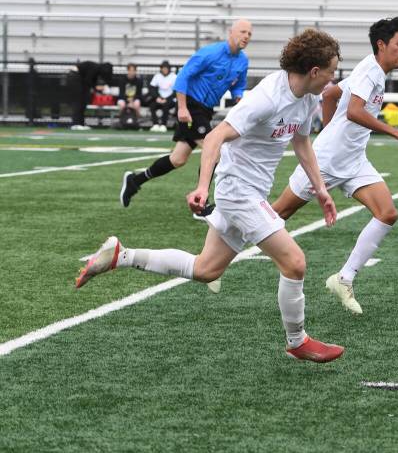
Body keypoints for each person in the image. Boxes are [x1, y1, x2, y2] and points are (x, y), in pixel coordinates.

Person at [75, 29, 344, 363]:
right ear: (315, 71)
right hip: (236, 191)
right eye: (333, 70)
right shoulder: (268, 97)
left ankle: (121, 255)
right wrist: (203, 187)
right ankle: (297, 340)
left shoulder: (308, 98)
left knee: (206, 270)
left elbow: (302, 143)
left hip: (251, 190)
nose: (335, 77)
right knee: (295, 262)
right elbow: (215, 137)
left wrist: (320, 190)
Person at [272, 17, 398, 315]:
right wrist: (394, 131)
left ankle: (344, 278)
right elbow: (353, 111)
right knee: (277, 214)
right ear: (381, 44)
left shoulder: (374, 71)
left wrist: (327, 128)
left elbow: (330, 94)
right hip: (325, 160)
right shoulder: (370, 71)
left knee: (387, 213)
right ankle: (219, 244)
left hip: (353, 160)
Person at [119, 19, 252, 209]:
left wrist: (239, 98)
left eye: (249, 34)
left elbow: (239, 85)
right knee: (213, 149)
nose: (246, 36)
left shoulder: (243, 61)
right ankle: (201, 201)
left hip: (205, 110)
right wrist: (182, 108)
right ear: (231, 32)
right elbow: (183, 76)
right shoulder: (210, 53)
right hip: (191, 105)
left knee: (178, 159)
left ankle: (135, 180)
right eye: (243, 32)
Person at [69, 60, 113, 130]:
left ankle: (81, 124)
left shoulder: (96, 70)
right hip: (75, 76)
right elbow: (88, 80)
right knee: (79, 101)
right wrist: (96, 89)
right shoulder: (95, 68)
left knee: (83, 102)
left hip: (78, 78)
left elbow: (91, 82)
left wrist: (97, 89)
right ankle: (75, 124)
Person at [149, 60, 177, 132]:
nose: (165, 70)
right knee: (152, 105)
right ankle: (155, 124)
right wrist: (157, 97)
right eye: (163, 68)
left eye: (166, 68)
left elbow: (176, 91)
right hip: (159, 98)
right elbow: (152, 88)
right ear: (161, 69)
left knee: (166, 106)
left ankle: (163, 125)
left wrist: (167, 99)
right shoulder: (157, 76)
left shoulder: (174, 77)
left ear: (169, 69)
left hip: (171, 100)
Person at [115, 63, 145, 130]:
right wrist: (127, 101)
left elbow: (139, 94)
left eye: (133, 70)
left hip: (134, 99)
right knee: (121, 104)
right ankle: (122, 121)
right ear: (128, 71)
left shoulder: (139, 81)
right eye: (130, 70)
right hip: (124, 98)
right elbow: (121, 93)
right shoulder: (122, 80)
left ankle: (136, 121)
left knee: (137, 104)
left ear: (135, 71)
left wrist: (132, 100)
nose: (132, 72)